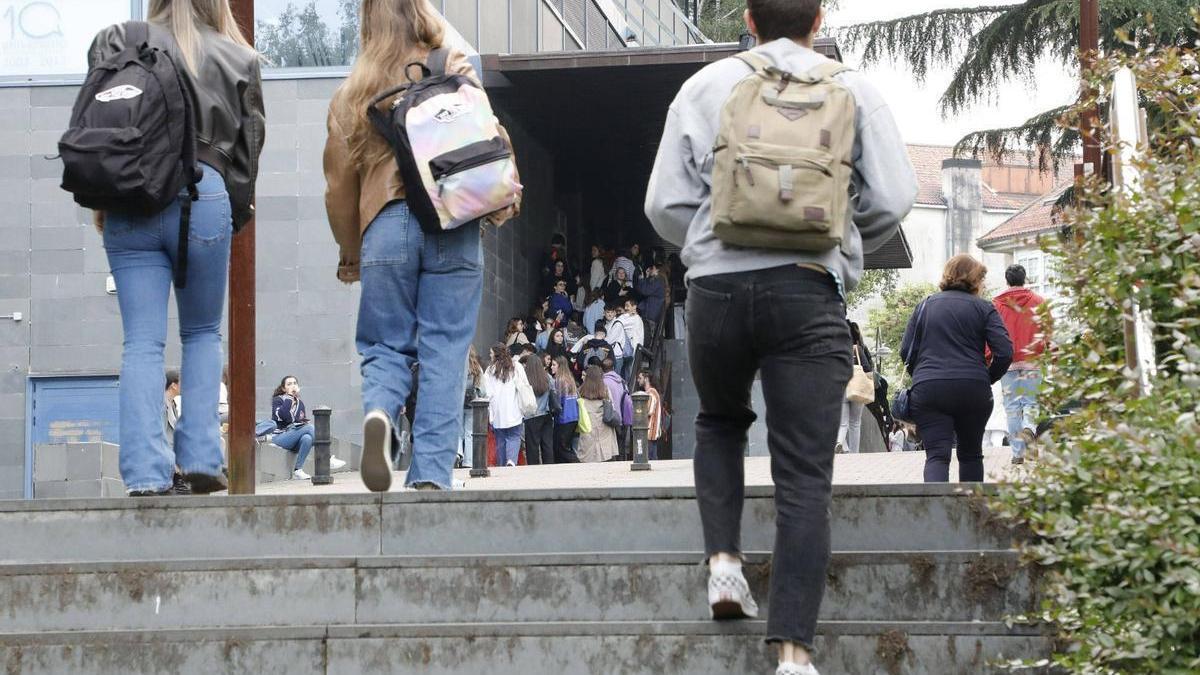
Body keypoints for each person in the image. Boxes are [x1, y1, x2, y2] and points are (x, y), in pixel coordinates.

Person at [643, 1, 918, 672]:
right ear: (818, 18)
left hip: (717, 293)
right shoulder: (852, 89)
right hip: (807, 287)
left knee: (720, 420)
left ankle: (725, 566)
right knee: (803, 472)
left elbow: (663, 204)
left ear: (748, 17)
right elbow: (895, 197)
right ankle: (793, 651)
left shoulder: (706, 86)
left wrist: (713, 241)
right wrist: (837, 241)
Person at [324, 0, 518, 492]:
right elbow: (489, 134)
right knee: (446, 350)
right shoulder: (451, 64)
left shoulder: (355, 88)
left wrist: (352, 252)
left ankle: (381, 419)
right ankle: (431, 475)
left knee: (385, 343)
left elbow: (338, 188)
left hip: (386, 227)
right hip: (451, 221)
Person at [87, 0, 265, 497]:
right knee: (203, 332)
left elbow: (100, 127)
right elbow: (248, 156)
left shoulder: (117, 42)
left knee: (141, 341)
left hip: (131, 197)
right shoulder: (238, 56)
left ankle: (145, 473)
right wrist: (233, 214)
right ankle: (203, 459)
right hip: (203, 191)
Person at [901, 255, 1013, 483]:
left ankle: (936, 516)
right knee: (971, 455)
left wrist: (924, 376)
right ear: (974, 280)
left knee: (936, 456)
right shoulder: (984, 308)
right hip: (973, 388)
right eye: (981, 280)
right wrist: (986, 378)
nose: (982, 286)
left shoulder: (924, 306)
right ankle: (971, 516)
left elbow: (906, 351)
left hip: (930, 388)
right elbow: (1004, 352)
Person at [994, 264, 1047, 465]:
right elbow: (1047, 330)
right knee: (1031, 403)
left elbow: (991, 333)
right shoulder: (1038, 302)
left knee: (1012, 408)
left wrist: (990, 357)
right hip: (1033, 361)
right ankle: (1030, 430)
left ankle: (1018, 453)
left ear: (1007, 280)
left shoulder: (997, 305)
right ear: (1025, 279)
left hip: (1007, 364)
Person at [270, 376, 347, 480]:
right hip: (280, 437)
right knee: (309, 428)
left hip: (294, 437)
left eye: (294, 383)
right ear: (283, 388)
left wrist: (300, 423)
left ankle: (298, 470)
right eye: (289, 384)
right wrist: (289, 397)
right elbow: (283, 416)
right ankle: (326, 458)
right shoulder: (278, 400)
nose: (293, 385)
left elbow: (299, 420)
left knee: (307, 438)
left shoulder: (299, 403)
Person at [483, 345, 524, 467]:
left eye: (491, 353)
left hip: (497, 411)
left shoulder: (490, 370)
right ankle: (511, 460)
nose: (490, 356)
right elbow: (522, 385)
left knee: (500, 439)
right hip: (514, 408)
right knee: (514, 436)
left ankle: (502, 464)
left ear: (496, 354)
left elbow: (487, 391)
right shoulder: (516, 366)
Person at [836, 322, 874, 454]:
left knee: (843, 422)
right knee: (855, 422)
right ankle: (854, 453)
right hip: (857, 388)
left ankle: (840, 442)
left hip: (841, 388)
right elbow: (868, 370)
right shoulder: (857, 349)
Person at [577, 365, 620, 462]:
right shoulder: (605, 390)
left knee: (588, 461)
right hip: (604, 429)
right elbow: (612, 407)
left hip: (588, 428)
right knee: (606, 461)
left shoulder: (580, 391)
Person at [521, 354, 557, 465]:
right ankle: (549, 466)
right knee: (547, 445)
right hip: (546, 415)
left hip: (530, 416)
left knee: (532, 446)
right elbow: (554, 393)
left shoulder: (525, 379)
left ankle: (534, 467)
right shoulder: (547, 377)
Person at [601, 357, 634, 459]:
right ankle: (622, 464)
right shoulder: (622, 381)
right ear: (614, 367)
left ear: (602, 369)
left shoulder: (603, 382)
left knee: (611, 447)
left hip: (611, 418)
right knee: (621, 445)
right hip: (623, 418)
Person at [458, 345, 484, 469]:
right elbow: (483, 389)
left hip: (458, 402)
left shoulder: (457, 366)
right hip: (471, 403)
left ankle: (458, 452)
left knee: (458, 430)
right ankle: (468, 462)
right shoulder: (477, 368)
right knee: (469, 433)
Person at [552, 356, 582, 463]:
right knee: (566, 445)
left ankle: (577, 463)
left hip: (564, 417)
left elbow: (558, 402)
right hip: (573, 416)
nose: (552, 367)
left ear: (559, 367)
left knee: (561, 447)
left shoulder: (559, 380)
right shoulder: (570, 379)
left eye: (554, 365)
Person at [638, 370, 664, 460]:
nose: (638, 380)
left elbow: (649, 411)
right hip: (651, 432)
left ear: (646, 379)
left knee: (651, 459)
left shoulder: (651, 393)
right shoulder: (652, 392)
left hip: (650, 431)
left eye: (640, 378)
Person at [635, 261, 668, 329]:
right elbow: (644, 289)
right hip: (652, 309)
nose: (650, 270)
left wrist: (641, 279)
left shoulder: (657, 281)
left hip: (651, 313)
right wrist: (646, 276)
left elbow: (644, 291)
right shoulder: (656, 279)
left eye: (652, 268)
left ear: (657, 270)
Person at [603, 305, 630, 378]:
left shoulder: (617, 324)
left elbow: (609, 340)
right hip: (610, 355)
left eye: (612, 312)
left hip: (616, 356)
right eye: (608, 312)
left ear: (615, 313)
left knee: (615, 378)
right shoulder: (606, 324)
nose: (610, 314)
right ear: (604, 313)